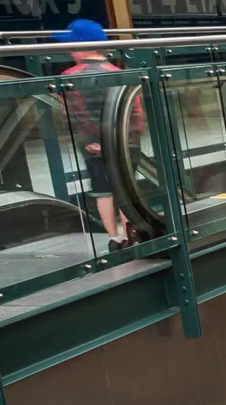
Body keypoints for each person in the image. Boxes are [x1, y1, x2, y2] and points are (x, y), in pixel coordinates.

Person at [59, 20, 131, 251]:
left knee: (103, 191)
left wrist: (92, 141)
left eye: (71, 46)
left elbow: (71, 115)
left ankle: (113, 237)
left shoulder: (68, 76)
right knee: (126, 189)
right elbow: (135, 112)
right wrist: (122, 140)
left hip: (92, 145)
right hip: (122, 142)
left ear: (81, 47)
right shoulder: (119, 73)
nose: (69, 51)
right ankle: (131, 233)